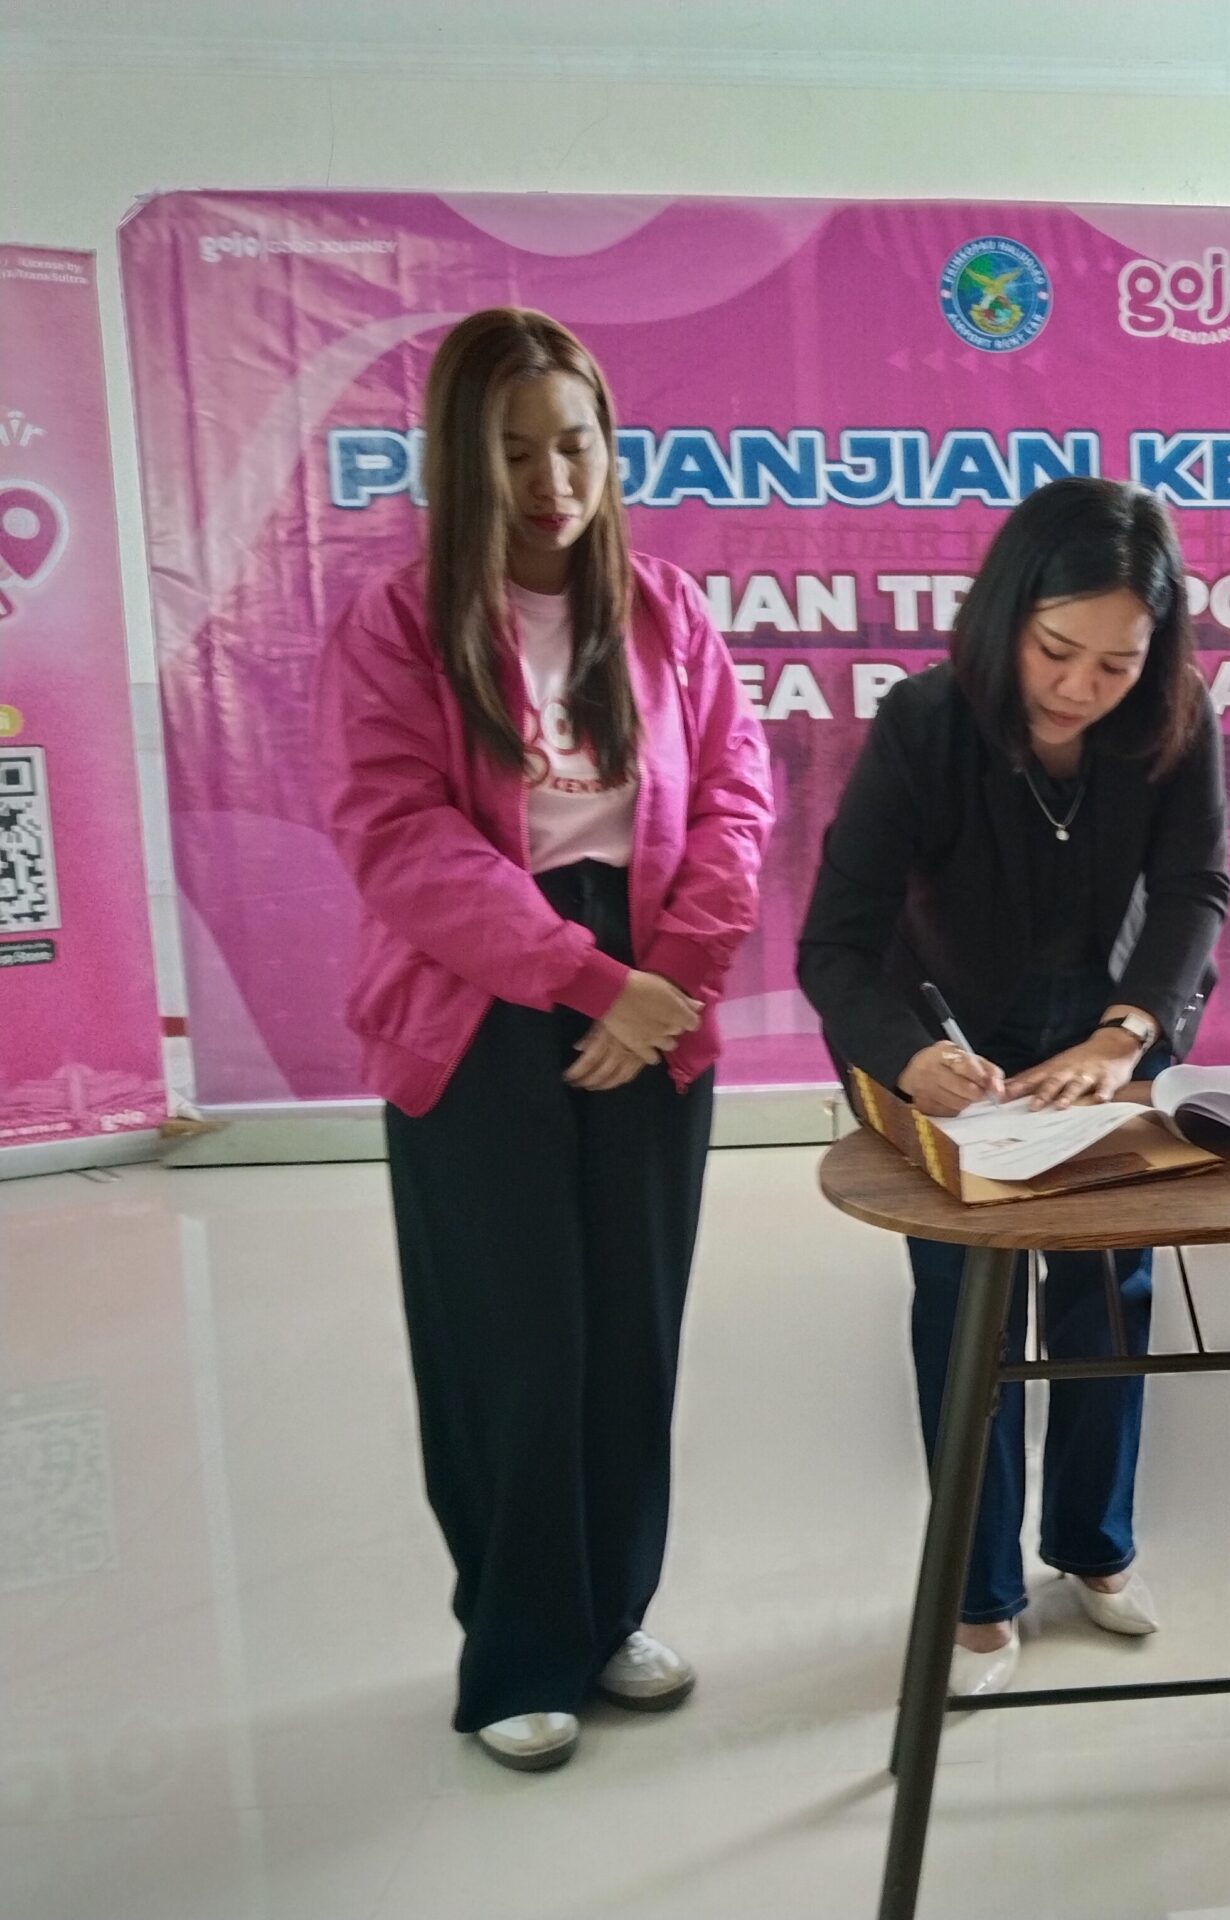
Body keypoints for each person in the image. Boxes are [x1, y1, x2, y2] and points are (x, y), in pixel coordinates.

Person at [315, 308, 774, 1772]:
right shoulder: (398, 622)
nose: (551, 477)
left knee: (629, 1330)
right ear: (462, 462)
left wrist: (673, 981)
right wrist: (588, 982)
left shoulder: (666, 611)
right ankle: (515, 1647)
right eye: (513, 450)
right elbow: (400, 837)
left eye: (573, 441)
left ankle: (610, 1613)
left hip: (652, 995)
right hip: (483, 1001)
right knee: (512, 1338)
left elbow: (736, 805)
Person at [798, 477, 1229, 1698]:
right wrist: (911, 1059)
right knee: (968, 1314)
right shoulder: (923, 724)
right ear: (1006, 616)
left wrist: (1127, 1031)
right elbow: (835, 942)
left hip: (1098, 1044)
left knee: (1107, 1298)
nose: (1082, 688)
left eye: (1117, 662)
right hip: (955, 1049)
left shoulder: (1172, 718)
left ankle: (1094, 1549)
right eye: (1056, 651)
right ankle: (979, 1594)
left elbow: (1194, 891)